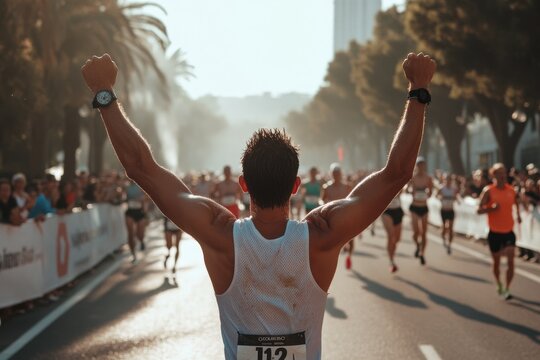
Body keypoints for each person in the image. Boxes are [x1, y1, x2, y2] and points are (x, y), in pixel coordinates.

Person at [81, 51, 435, 359]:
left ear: (243, 184)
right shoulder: (321, 235)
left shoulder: (219, 234)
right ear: (296, 186)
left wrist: (105, 95)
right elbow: (398, 173)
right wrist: (418, 92)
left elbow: (141, 168)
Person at [477, 163, 521, 300]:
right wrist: (491, 209)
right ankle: (499, 284)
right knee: (496, 263)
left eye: (504, 173)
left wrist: (519, 215)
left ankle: (507, 288)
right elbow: (478, 210)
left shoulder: (511, 190)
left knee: (511, 262)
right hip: (494, 232)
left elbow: (517, 203)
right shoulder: (488, 191)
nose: (502, 176)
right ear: (493, 175)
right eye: (499, 173)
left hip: (508, 231)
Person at [322, 163, 353, 269]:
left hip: (346, 215)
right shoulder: (327, 187)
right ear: (331, 174)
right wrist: (324, 204)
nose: (336, 175)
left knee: (351, 238)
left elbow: (353, 200)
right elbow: (322, 199)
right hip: (332, 216)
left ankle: (349, 256)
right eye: (334, 173)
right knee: (334, 239)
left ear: (341, 174)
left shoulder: (347, 186)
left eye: (338, 173)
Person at [407, 157, 433, 265]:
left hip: (424, 207)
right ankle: (417, 246)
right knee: (416, 232)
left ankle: (422, 253)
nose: (421, 167)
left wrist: (426, 194)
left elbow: (431, 191)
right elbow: (407, 189)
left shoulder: (428, 178)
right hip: (414, 207)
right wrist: (412, 192)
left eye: (423, 165)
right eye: (419, 165)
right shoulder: (412, 177)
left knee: (424, 233)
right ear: (416, 166)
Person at [124, 180, 148, 263]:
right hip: (130, 212)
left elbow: (146, 197)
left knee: (139, 234)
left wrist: (142, 200)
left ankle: (141, 241)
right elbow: (122, 197)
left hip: (139, 212)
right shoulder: (126, 186)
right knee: (130, 234)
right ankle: (133, 254)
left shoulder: (141, 185)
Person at [381, 190, 404, 273]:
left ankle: (392, 255)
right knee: (391, 236)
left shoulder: (399, 179)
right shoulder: (383, 181)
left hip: (397, 210)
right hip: (386, 211)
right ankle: (391, 261)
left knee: (397, 239)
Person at [437, 174, 459, 255]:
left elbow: (457, 197)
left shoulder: (454, 189)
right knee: (444, 227)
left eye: (450, 179)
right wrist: (441, 198)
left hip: (451, 210)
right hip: (443, 210)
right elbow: (437, 196)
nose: (448, 181)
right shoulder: (441, 188)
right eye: (447, 179)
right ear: (444, 180)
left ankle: (449, 245)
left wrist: (455, 198)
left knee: (451, 228)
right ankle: (443, 236)